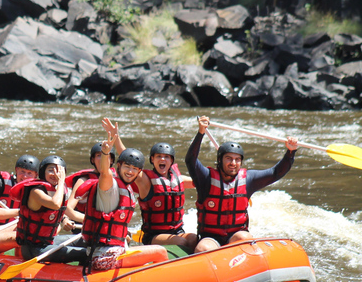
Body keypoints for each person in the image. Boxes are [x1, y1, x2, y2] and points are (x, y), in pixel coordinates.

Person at [185, 115, 299, 252]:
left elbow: (276, 172)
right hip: (211, 238)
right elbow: (190, 160)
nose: (233, 163)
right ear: (220, 160)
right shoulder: (206, 178)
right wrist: (201, 132)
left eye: (237, 159)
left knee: (245, 237)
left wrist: (290, 152)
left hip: (235, 236)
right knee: (203, 248)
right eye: (229, 158)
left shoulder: (248, 179)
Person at [74, 126, 167, 271]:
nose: (130, 172)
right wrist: (105, 152)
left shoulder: (128, 188)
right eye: (127, 167)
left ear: (139, 172)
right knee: (160, 252)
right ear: (118, 166)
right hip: (103, 257)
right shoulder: (110, 186)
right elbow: (104, 173)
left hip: (113, 251)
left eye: (134, 169)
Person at [102, 118, 198, 251]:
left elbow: (202, 180)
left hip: (177, 230)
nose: (162, 159)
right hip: (154, 235)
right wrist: (115, 137)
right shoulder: (146, 181)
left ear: (171, 161)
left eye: (166, 157)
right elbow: (129, 158)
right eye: (158, 156)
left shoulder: (178, 179)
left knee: (194, 239)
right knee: (181, 241)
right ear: (152, 160)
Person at [12, 155, 87, 264]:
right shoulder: (36, 191)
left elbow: (73, 214)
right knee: (85, 253)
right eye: (51, 170)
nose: (55, 174)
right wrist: (61, 181)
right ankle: (82, 277)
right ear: (43, 172)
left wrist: (98, 221)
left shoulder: (57, 192)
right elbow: (55, 204)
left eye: (59, 170)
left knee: (87, 240)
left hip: (48, 242)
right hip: (34, 249)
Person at [65, 141, 116, 224]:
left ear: (111, 160)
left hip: (108, 228)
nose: (103, 159)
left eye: (106, 155)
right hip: (85, 227)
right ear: (93, 160)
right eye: (99, 155)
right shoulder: (83, 180)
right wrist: (65, 220)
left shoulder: (117, 180)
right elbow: (68, 209)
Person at [0, 154, 39, 224]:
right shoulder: (1, 184)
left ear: (36, 175)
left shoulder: (38, 192)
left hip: (17, 230)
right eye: (22, 171)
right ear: (16, 170)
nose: (25, 176)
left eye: (29, 173)